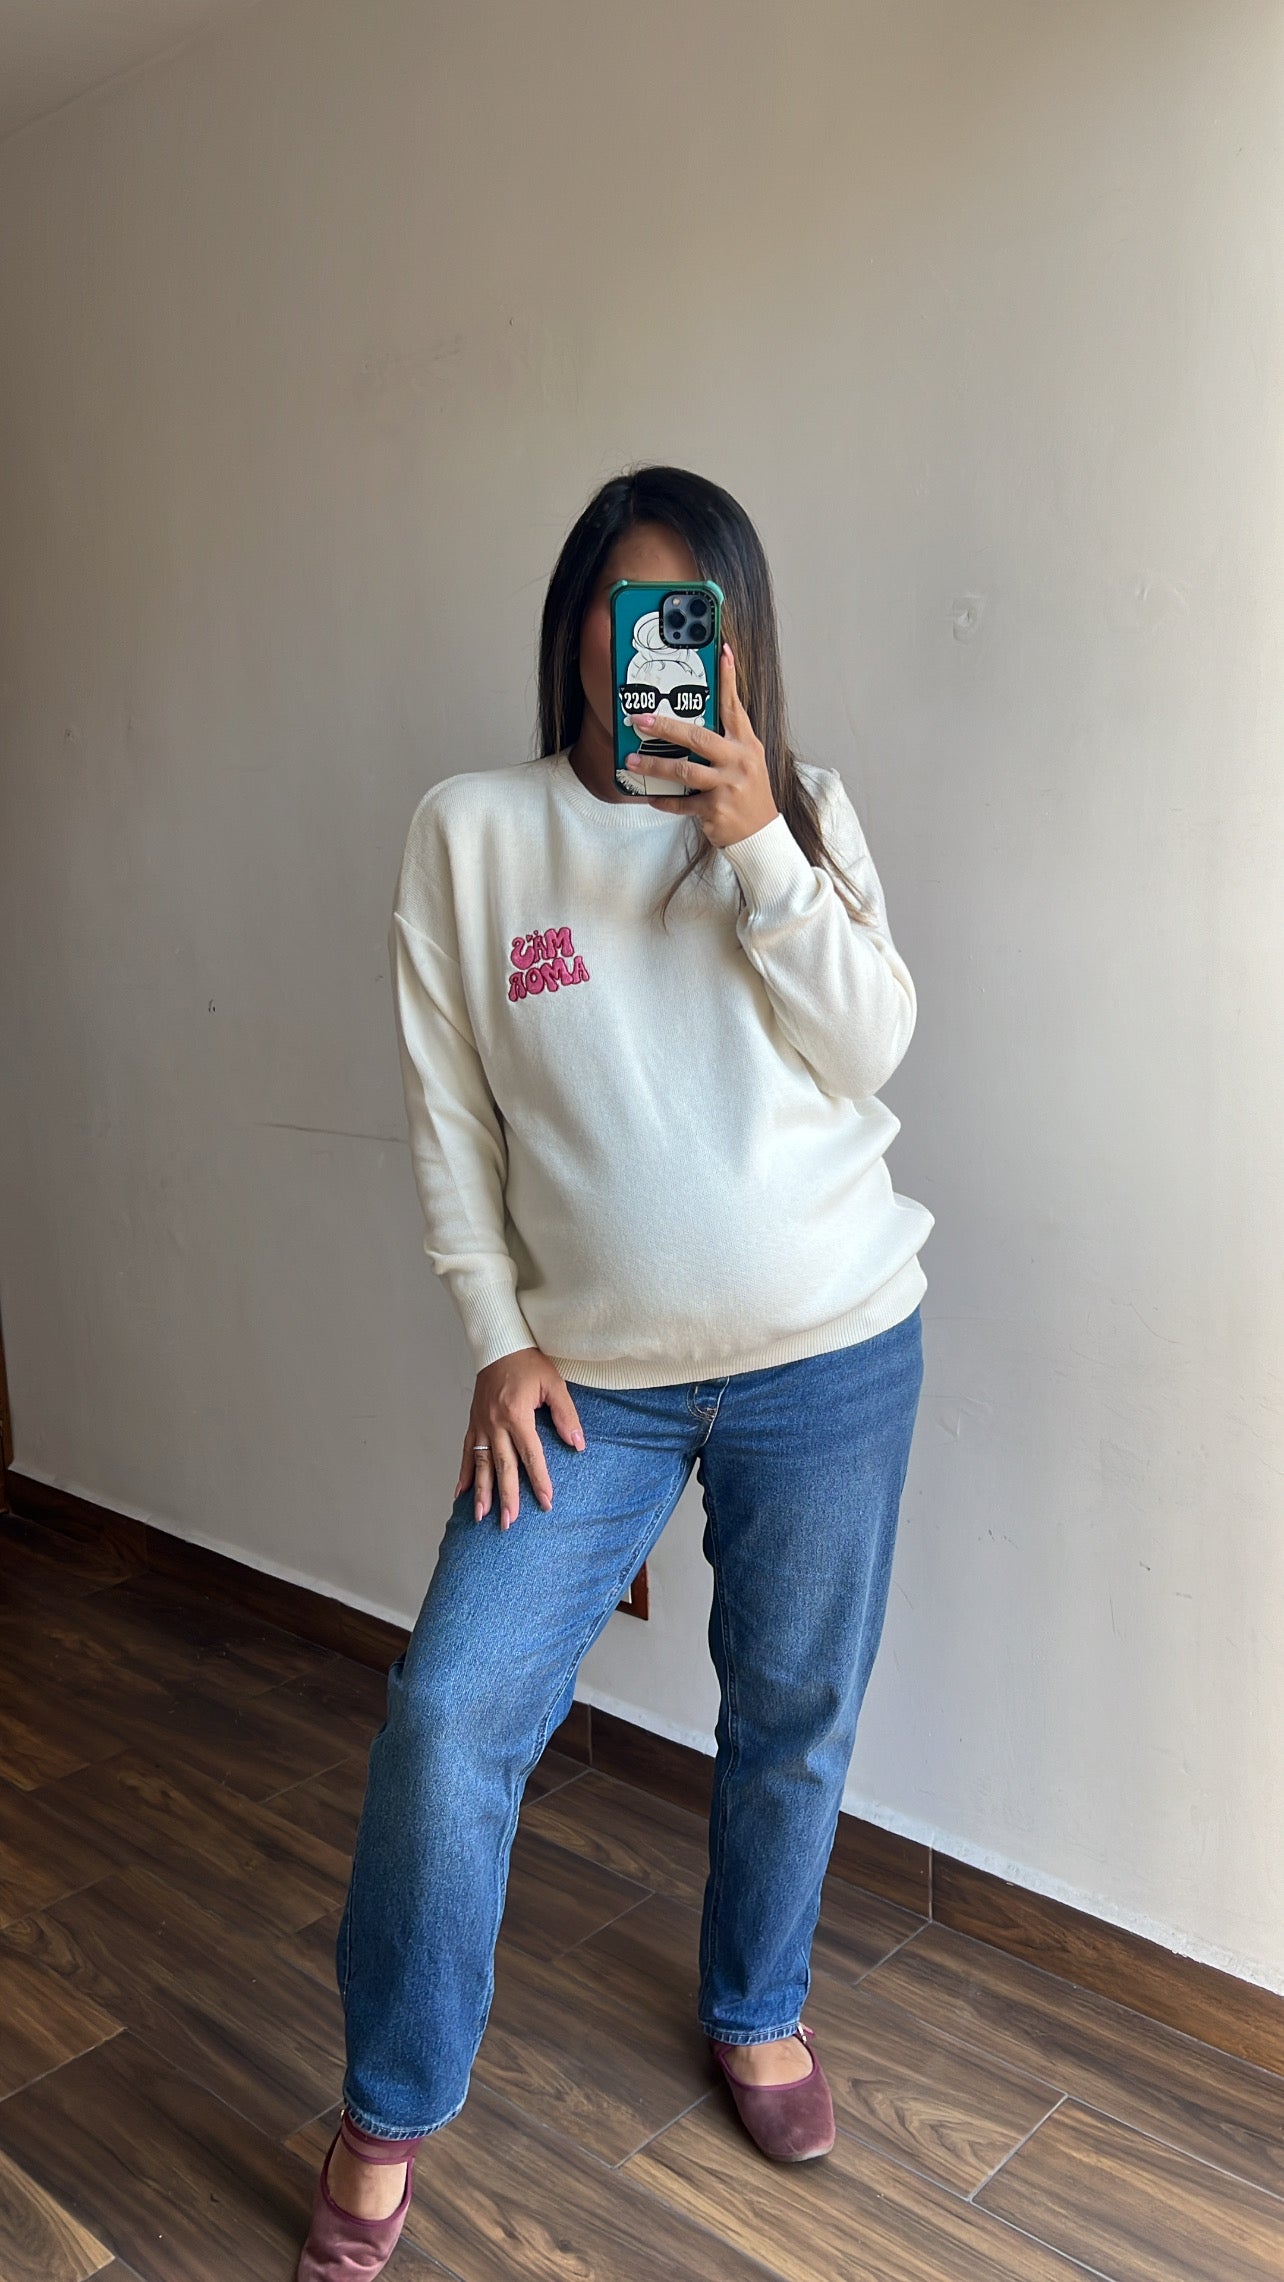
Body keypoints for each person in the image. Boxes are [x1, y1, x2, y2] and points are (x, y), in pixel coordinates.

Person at [295, 466, 933, 2278]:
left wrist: (758, 841)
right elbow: (450, 1112)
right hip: (596, 1385)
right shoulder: (472, 832)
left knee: (792, 1705)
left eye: (690, 617)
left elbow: (875, 1048)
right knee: (450, 1711)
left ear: (734, 644)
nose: (650, 647)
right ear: (575, 620)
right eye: (624, 606)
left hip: (833, 1351)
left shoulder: (801, 812)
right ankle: (387, 2106)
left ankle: (758, 2003)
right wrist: (497, 1338)